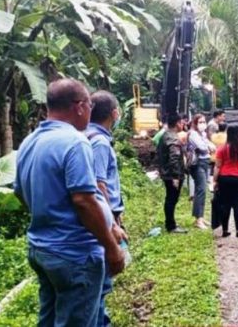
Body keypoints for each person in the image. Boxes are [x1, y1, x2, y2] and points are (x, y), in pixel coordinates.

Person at [14, 79, 125, 327]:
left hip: (42, 248)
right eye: (89, 104)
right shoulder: (75, 142)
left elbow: (21, 192)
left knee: (50, 318)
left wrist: (49, 215)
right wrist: (111, 247)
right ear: (79, 106)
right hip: (74, 254)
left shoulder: (28, 142)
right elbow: (84, 200)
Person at [86, 91, 129, 327]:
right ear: (114, 114)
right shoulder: (100, 141)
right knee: (100, 283)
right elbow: (99, 184)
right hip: (103, 215)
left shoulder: (85, 135)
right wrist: (112, 223)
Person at [212, 125, 238, 237]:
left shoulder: (222, 149)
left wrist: (215, 180)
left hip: (224, 178)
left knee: (225, 205)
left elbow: (217, 166)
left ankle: (225, 230)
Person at [157, 113, 187, 233]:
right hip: (172, 174)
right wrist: (176, 176)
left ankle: (170, 222)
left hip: (166, 172)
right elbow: (174, 157)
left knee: (170, 198)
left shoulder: (165, 135)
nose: (183, 125)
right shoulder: (173, 138)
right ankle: (171, 225)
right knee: (171, 199)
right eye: (182, 122)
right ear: (178, 123)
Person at [187, 114, 216, 229]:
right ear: (195, 123)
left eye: (204, 122)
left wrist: (208, 146)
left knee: (203, 191)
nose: (203, 124)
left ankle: (201, 217)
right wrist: (208, 147)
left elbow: (210, 145)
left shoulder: (202, 134)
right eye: (200, 122)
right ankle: (198, 220)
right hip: (197, 164)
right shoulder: (193, 134)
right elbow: (203, 147)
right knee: (201, 190)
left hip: (205, 162)